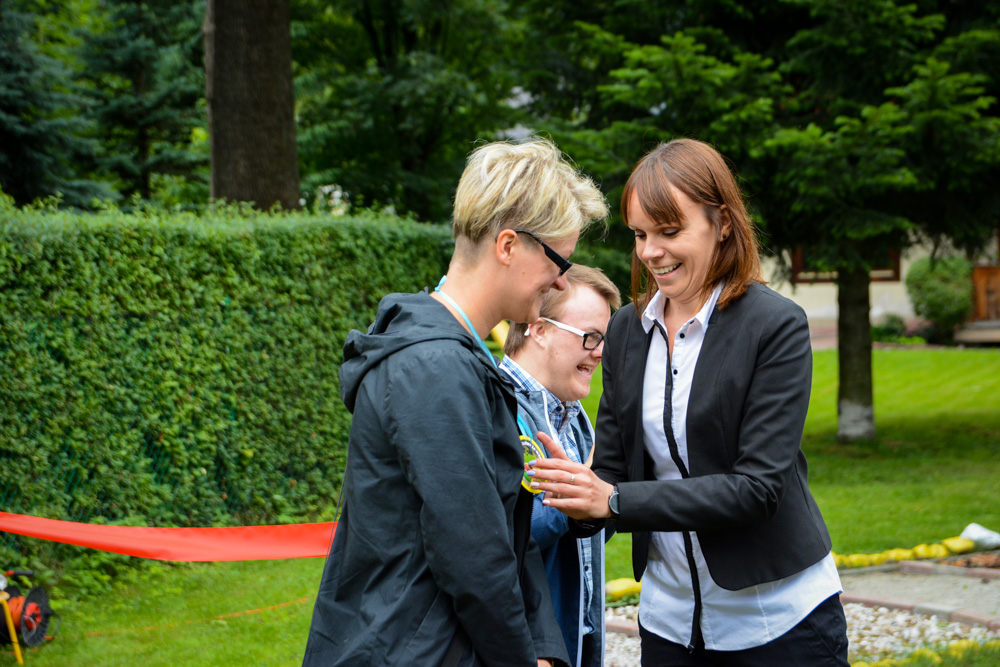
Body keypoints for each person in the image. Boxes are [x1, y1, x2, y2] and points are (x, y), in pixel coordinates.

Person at [527, 139, 849, 665]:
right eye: (640, 234)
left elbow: (757, 489)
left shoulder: (774, 325)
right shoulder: (627, 330)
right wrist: (578, 495)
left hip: (776, 620)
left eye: (669, 231)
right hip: (669, 623)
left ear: (722, 223)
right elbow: (613, 471)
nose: (650, 251)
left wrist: (614, 500)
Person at [302, 137, 608, 667]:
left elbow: (504, 537)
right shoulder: (434, 368)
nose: (562, 281)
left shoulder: (456, 356)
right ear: (508, 246)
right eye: (559, 260)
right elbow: (475, 557)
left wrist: (541, 648)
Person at [499, 265, 621, 667]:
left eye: (605, 340)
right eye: (590, 336)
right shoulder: (497, 409)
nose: (600, 352)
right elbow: (500, 537)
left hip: (575, 640)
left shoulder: (574, 414)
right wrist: (576, 495)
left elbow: (587, 540)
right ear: (538, 329)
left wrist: (610, 494)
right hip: (530, 648)